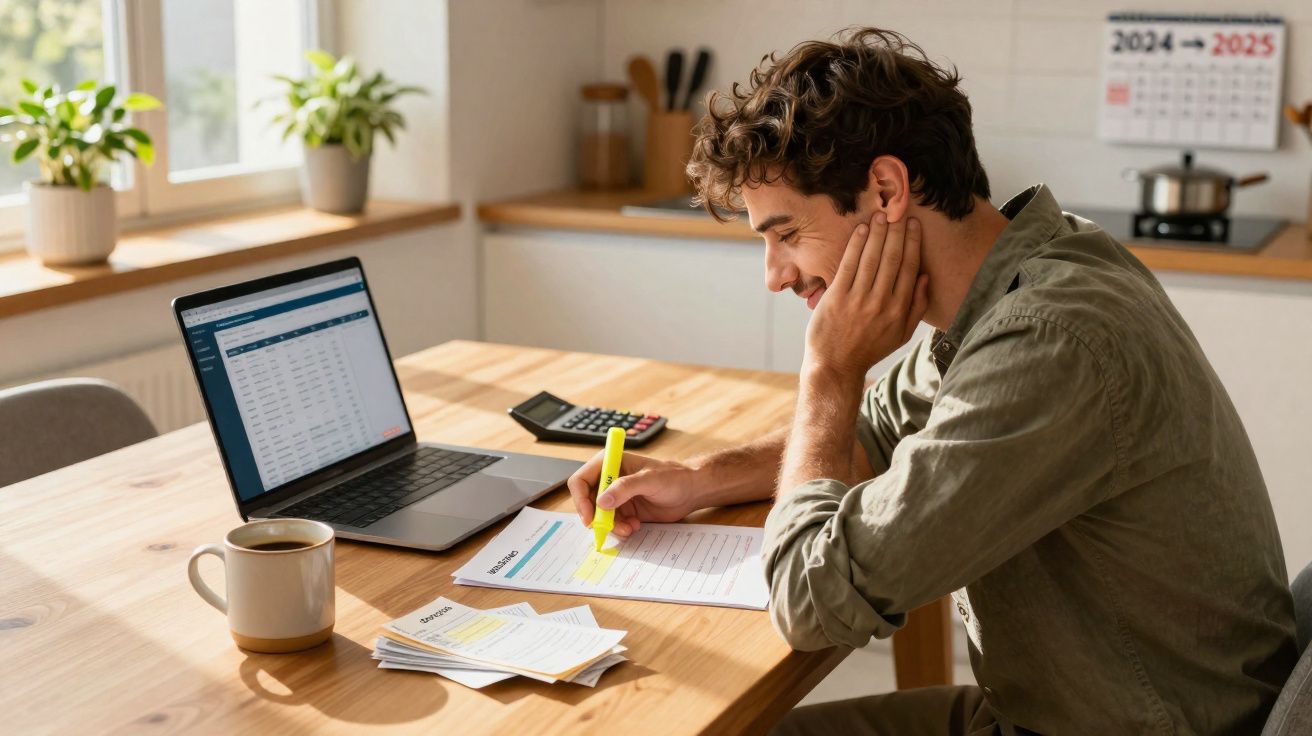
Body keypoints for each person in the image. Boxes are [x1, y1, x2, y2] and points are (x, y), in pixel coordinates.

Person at [566, 27, 1297, 734]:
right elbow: (879, 431)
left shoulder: (1048, 341)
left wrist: (828, 371)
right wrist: (700, 478)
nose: (776, 275)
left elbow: (811, 599)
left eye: (787, 234)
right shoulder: (1028, 273)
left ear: (885, 190)